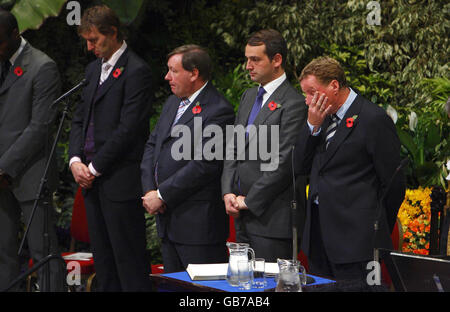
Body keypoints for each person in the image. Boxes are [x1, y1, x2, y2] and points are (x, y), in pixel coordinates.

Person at [294, 56, 406, 281]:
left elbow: (394, 183)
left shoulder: (373, 119)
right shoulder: (319, 116)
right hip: (318, 238)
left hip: (357, 243)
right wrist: (312, 127)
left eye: (311, 92)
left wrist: (374, 228)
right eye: (305, 93)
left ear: (334, 85)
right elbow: (298, 166)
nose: (307, 101)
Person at [68, 5, 152, 291]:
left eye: (95, 40)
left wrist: (94, 167)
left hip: (119, 180)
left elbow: (128, 129)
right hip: (91, 183)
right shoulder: (92, 70)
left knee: (127, 262)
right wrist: (75, 160)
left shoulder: (136, 70)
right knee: (103, 261)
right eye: (87, 41)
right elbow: (81, 118)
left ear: (113, 33)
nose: (90, 47)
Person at [141, 45, 235, 273]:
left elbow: (204, 165)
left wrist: (162, 194)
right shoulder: (173, 102)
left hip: (198, 228)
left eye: (173, 71)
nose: (166, 77)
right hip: (167, 220)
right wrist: (149, 192)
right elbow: (153, 145)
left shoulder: (219, 110)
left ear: (194, 73)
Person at [221, 29, 308, 262]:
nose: (248, 66)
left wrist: (249, 200)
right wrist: (227, 190)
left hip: (272, 218)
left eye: (255, 59)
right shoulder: (248, 96)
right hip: (240, 214)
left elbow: (283, 162)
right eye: (247, 59)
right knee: (243, 288)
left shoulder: (294, 103)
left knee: (268, 288)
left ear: (277, 60)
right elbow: (234, 146)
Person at [0, 9, 65, 291]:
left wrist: (4, 166)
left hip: (29, 174)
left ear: (15, 34)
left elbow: (39, 127)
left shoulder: (42, 66)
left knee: (43, 252)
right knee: (3, 253)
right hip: (1, 179)